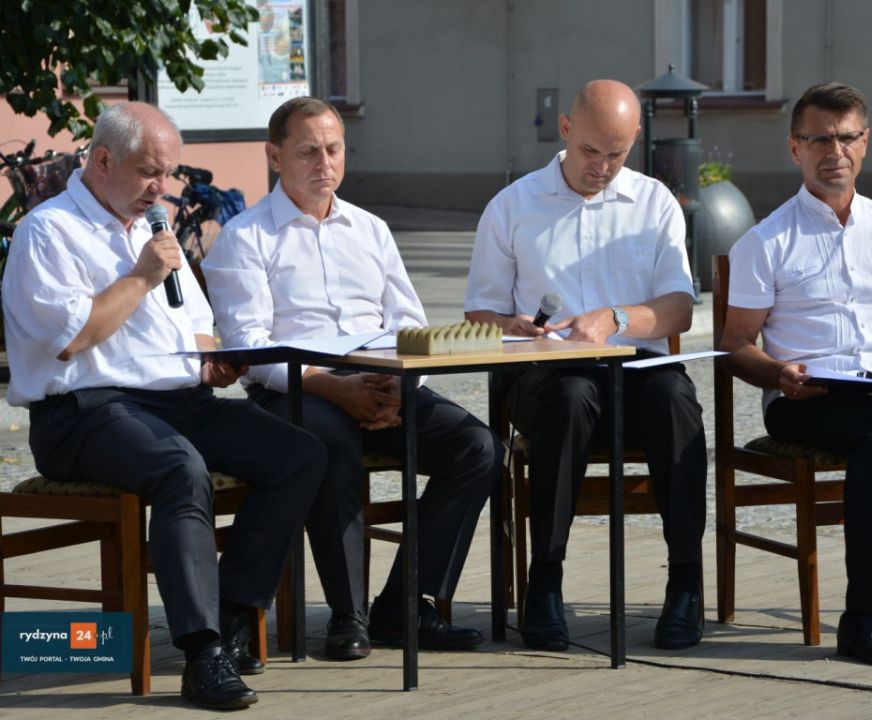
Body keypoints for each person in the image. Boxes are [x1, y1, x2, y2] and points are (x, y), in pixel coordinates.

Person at [1, 102, 329, 710]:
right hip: (84, 412)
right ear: (103, 160)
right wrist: (141, 277)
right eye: (149, 172)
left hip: (179, 401)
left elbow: (196, 330)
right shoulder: (47, 231)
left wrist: (215, 360)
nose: (161, 188)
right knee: (181, 469)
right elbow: (71, 338)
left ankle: (233, 615)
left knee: (299, 454)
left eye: (168, 173)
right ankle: (201, 655)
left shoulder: (155, 231)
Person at [202, 97, 502, 657]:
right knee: (331, 442)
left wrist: (399, 387)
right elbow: (252, 347)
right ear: (275, 156)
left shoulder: (370, 228)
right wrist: (333, 387)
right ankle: (348, 616)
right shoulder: (246, 237)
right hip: (293, 388)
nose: (325, 163)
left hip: (381, 380)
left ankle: (405, 604)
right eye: (308, 151)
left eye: (333, 149)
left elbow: (408, 321)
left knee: (478, 447)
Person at [721, 81, 872, 667]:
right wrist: (778, 372)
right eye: (819, 140)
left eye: (847, 138)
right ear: (795, 148)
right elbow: (735, 345)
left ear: (865, 142)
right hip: (805, 396)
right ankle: (865, 620)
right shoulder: (767, 240)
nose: (836, 151)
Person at [465, 79, 707, 652]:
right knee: (571, 397)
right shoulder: (514, 205)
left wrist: (616, 317)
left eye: (616, 154)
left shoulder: (654, 202)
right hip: (547, 375)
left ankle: (685, 584)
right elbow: (480, 312)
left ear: (636, 140)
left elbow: (679, 309)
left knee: (676, 401)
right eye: (590, 151)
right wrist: (513, 326)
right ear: (566, 129)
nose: (601, 167)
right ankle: (545, 583)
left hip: (635, 370)